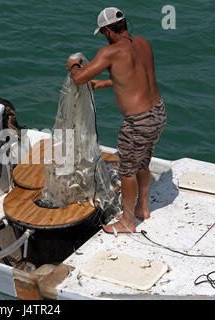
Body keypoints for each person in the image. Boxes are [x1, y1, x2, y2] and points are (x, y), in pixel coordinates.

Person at [66, 7, 166, 234]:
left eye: (103, 33)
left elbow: (80, 78)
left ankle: (128, 221)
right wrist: (104, 83)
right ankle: (142, 208)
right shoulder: (143, 43)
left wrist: (72, 64)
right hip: (158, 113)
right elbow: (137, 76)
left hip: (138, 122)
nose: (104, 37)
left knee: (127, 170)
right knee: (142, 163)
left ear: (109, 30)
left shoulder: (109, 52)